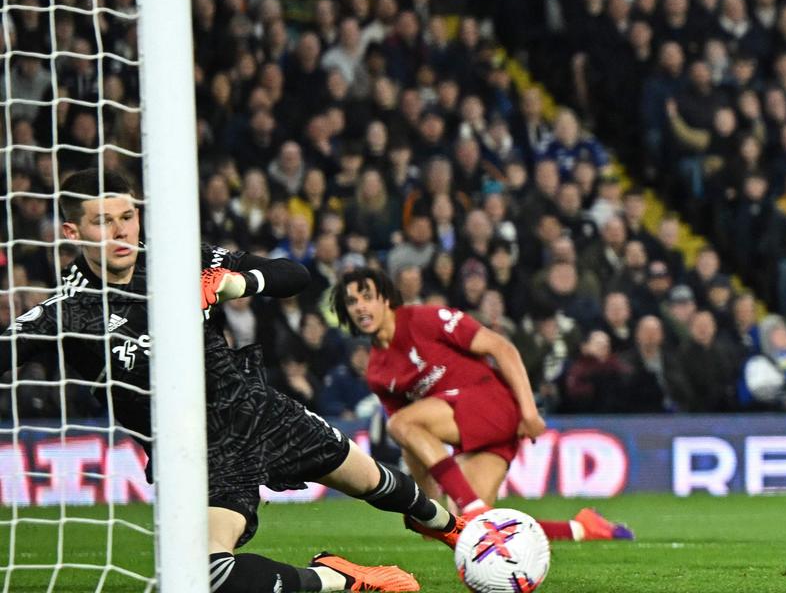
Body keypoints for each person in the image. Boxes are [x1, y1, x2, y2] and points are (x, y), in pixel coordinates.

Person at [2, 170, 451, 593]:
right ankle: (340, 579)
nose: (121, 232)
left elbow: (295, 274)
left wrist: (236, 283)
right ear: (72, 233)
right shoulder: (66, 313)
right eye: (103, 222)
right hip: (200, 457)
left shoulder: (177, 260)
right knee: (209, 573)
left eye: (127, 217)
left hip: (260, 411)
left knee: (379, 484)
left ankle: (458, 531)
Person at [332, 267, 634, 544]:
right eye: (351, 301)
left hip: (491, 404)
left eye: (367, 296)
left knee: (402, 426)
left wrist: (529, 411)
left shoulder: (425, 319)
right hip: (469, 431)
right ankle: (583, 528)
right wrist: (425, 504)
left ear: (386, 299)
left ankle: (472, 506)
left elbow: (500, 347)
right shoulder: (377, 372)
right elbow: (412, 444)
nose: (360, 306)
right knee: (469, 527)